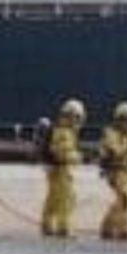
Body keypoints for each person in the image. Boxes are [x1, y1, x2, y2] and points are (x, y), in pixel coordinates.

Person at [98, 101, 127, 242]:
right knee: (124, 198)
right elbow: (115, 151)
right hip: (115, 171)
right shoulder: (111, 134)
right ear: (120, 120)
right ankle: (122, 230)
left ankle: (109, 228)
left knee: (126, 200)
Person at [40, 99, 84, 239]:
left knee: (53, 199)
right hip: (61, 170)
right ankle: (63, 227)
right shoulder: (64, 132)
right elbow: (61, 151)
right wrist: (76, 157)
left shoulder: (62, 130)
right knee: (66, 199)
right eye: (76, 117)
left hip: (57, 169)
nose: (77, 120)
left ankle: (47, 225)